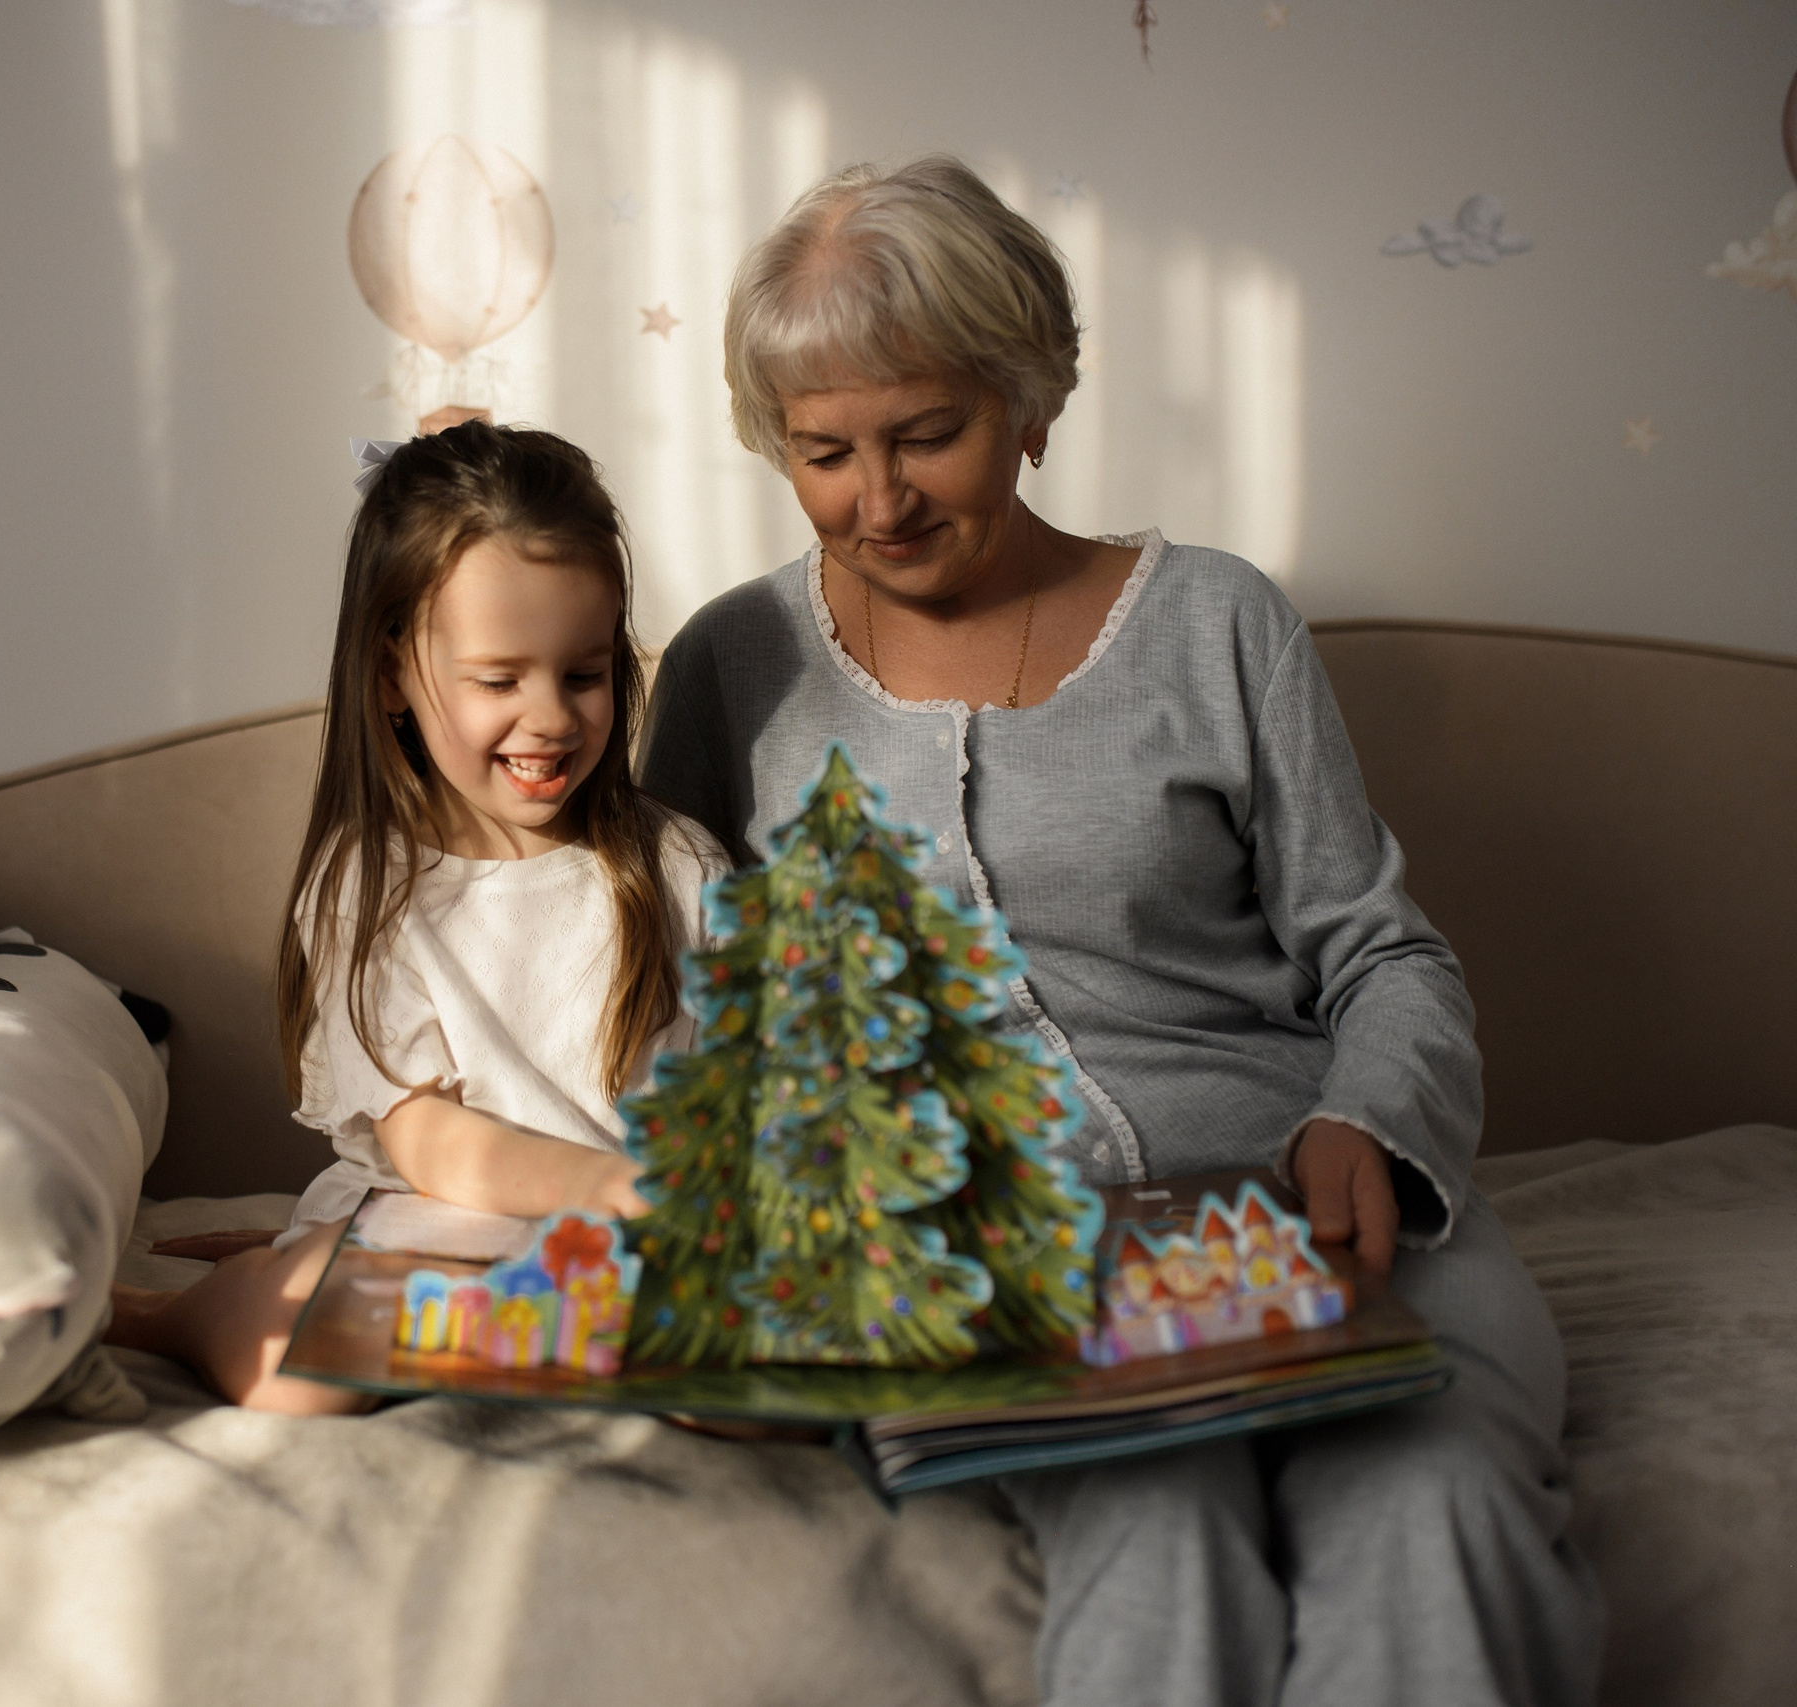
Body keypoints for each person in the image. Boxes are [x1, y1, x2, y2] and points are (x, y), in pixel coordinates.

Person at [638, 156, 1600, 1707]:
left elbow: (1384, 952)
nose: (876, 501)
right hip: (1003, 1276)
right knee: (1159, 1520)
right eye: (824, 453)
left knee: (1439, 1506)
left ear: (1032, 398)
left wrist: (1370, 1119)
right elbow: (683, 1011)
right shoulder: (726, 668)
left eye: (928, 435)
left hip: (1320, 1224)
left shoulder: (1218, 621)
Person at [109, 421, 725, 1414]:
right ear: (394, 672)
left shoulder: (676, 866)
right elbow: (425, 1139)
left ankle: (333, 1279)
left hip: (620, 1249)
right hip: (440, 1217)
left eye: (583, 673)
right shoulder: (376, 884)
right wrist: (607, 1188)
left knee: (758, 1398)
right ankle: (172, 1312)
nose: (553, 718)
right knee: (296, 1374)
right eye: (497, 681)